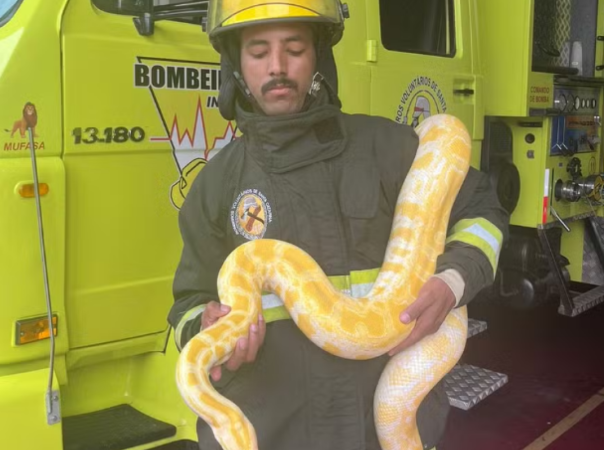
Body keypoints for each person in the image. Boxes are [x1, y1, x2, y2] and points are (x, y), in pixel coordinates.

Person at [167, 0, 509, 448]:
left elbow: (483, 212)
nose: (276, 66)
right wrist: (206, 326)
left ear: (318, 58)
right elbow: (188, 302)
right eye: (257, 52)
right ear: (235, 64)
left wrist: (454, 280)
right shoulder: (216, 186)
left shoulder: (386, 147)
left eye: (294, 48)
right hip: (275, 432)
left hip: (377, 430)